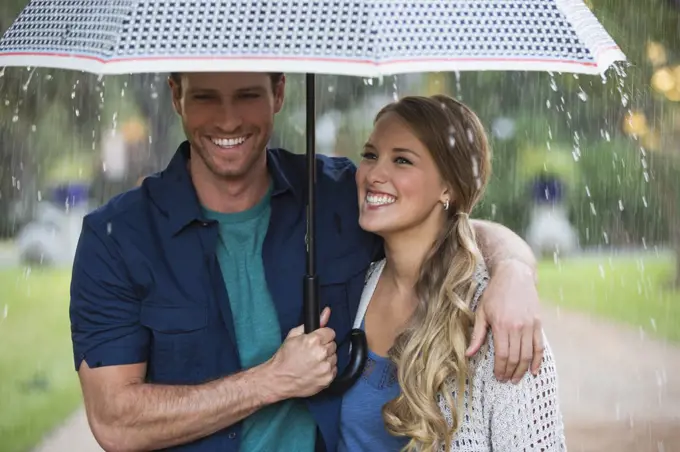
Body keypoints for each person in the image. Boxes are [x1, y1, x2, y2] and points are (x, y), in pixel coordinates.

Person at [70, 72, 544, 452]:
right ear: (176, 95)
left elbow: (452, 225)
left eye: (249, 95)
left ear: (279, 92)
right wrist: (271, 381)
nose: (229, 120)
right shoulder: (117, 238)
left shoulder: (337, 195)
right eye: (207, 97)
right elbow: (116, 423)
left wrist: (514, 270)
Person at [338, 95, 565, 452]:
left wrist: (514, 269)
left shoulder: (498, 321)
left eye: (402, 160)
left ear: (448, 188)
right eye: (370, 155)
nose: (374, 175)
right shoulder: (353, 287)